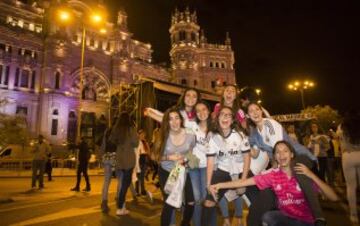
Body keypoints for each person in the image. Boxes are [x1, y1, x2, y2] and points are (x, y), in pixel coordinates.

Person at [210, 140, 339, 226]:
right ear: (275, 157)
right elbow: (245, 182)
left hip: (306, 221)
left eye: (285, 151)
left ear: (292, 154)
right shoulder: (273, 175)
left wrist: (311, 175)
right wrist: (220, 185)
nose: (281, 154)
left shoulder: (302, 174)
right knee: (268, 217)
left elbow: (333, 197)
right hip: (286, 219)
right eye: (277, 152)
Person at [245, 102, 325, 226]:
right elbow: (254, 154)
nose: (255, 113)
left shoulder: (270, 124)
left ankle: (318, 217)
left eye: (257, 109)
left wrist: (273, 168)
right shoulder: (255, 133)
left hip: (298, 156)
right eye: (251, 111)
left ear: (261, 111)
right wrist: (244, 144)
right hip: (281, 161)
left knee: (299, 171)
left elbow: (280, 151)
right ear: (248, 115)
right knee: (268, 188)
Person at [201, 106, 252, 226]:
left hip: (240, 171)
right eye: (222, 114)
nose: (225, 117)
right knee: (209, 202)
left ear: (233, 120)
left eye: (228, 115)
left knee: (257, 201)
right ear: (217, 118)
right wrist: (208, 184)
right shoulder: (212, 137)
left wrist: (243, 180)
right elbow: (210, 161)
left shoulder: (240, 135)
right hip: (223, 171)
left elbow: (247, 157)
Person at [155, 107, 196, 226]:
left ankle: (185, 223)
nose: (174, 122)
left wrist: (186, 159)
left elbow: (191, 151)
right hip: (167, 171)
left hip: (182, 170)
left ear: (181, 120)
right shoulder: (162, 134)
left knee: (191, 202)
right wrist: (169, 157)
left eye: (177, 118)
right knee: (169, 202)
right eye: (170, 119)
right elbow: (154, 156)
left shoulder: (189, 133)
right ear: (167, 122)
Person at [108, 112, 138, 216]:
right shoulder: (131, 129)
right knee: (125, 184)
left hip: (119, 158)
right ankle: (120, 207)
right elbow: (136, 143)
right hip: (128, 158)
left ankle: (122, 206)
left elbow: (112, 141)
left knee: (121, 183)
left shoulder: (117, 129)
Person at [188, 101, 212, 226]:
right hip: (194, 167)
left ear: (208, 110)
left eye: (204, 109)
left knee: (204, 197)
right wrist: (189, 157)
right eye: (198, 111)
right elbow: (186, 144)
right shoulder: (192, 126)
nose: (201, 113)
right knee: (197, 198)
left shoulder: (215, 128)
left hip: (207, 167)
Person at [337, 110, 360, 224]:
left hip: (348, 156)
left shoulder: (341, 126)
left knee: (351, 187)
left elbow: (338, 138)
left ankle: (353, 214)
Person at [100, 118, 118, 213]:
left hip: (107, 157)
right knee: (120, 179)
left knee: (106, 181)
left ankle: (104, 201)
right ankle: (119, 199)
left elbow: (103, 144)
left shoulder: (107, 130)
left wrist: (101, 156)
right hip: (115, 157)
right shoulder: (119, 132)